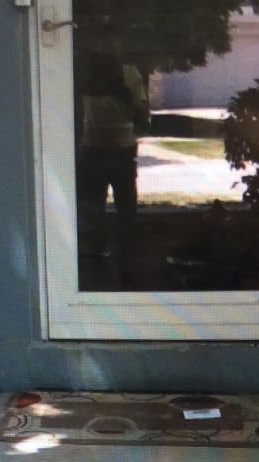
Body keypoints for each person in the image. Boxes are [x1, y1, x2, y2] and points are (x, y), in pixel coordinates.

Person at [77, 20, 150, 279]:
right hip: (93, 149)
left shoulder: (130, 74)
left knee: (127, 210)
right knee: (93, 210)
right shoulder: (85, 73)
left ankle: (129, 264)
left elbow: (143, 115)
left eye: (113, 44)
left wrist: (123, 91)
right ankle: (95, 263)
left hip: (122, 150)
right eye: (103, 44)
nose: (108, 50)